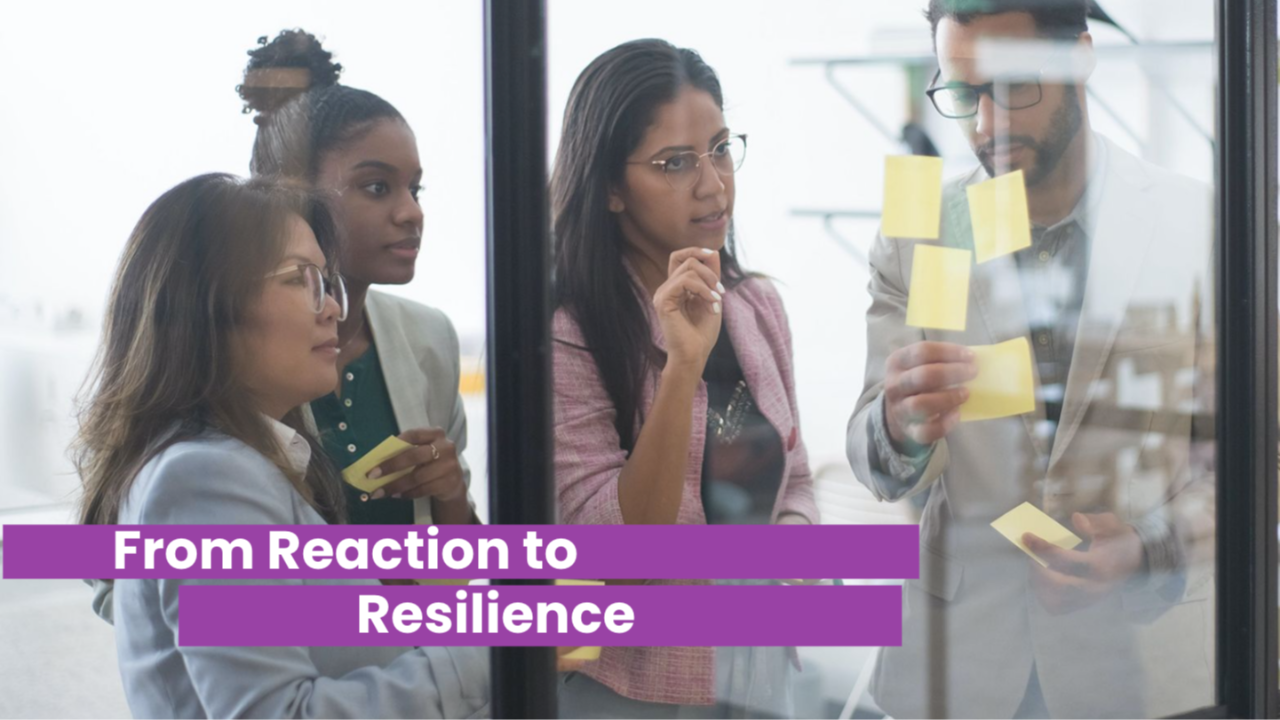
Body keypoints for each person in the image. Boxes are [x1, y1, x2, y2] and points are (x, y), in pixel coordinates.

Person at [845, 2, 1215, 719]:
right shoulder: (921, 233)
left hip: (1139, 663)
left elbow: (1261, 460)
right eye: (963, 94)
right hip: (961, 668)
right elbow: (873, 459)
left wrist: (1150, 547)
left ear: (1080, 55)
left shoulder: (1200, 224)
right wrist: (895, 427)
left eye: (1015, 86)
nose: (987, 125)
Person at [73, 173, 490, 719]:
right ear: (211, 307)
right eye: (300, 279)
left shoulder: (245, 464)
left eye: (326, 282)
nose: (333, 308)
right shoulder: (203, 478)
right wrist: (493, 655)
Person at [551, 38, 819, 716]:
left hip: (760, 667)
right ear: (611, 188)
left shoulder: (756, 304)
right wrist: (683, 369)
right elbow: (615, 556)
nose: (713, 184)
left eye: (721, 149)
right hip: (633, 689)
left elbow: (796, 477)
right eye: (675, 163)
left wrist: (793, 559)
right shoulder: (568, 331)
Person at [239, 29, 477, 527]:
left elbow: (470, 561)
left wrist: (451, 495)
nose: (412, 212)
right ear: (293, 194)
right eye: (377, 187)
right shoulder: (233, 344)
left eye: (415, 189)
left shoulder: (430, 339)